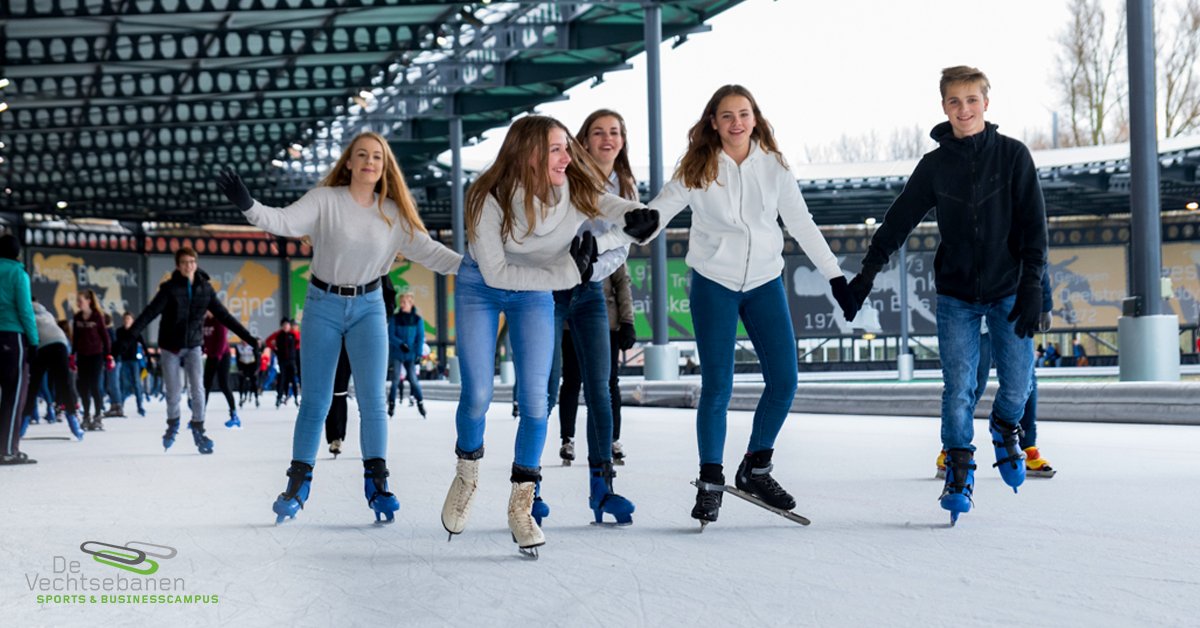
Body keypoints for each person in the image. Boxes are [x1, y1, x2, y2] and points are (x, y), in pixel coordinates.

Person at [625, 85, 856, 526]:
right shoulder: (697, 167)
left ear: (755, 118)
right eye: (727, 115)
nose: (736, 123)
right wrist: (635, 228)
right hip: (714, 283)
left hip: (765, 282)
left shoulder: (774, 166)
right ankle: (710, 481)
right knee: (718, 387)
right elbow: (658, 213)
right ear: (713, 122)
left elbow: (802, 223)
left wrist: (835, 276)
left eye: (744, 114)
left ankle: (756, 467)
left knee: (785, 380)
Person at [217, 130, 463, 524]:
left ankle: (378, 484)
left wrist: (475, 268)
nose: (369, 162)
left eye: (377, 157)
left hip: (369, 308)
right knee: (316, 400)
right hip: (323, 305)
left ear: (385, 166)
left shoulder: (393, 214)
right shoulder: (325, 201)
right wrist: (249, 205)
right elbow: (283, 220)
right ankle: (297, 484)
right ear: (348, 162)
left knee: (373, 400)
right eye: (361, 155)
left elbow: (432, 253)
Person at [438, 115, 656, 554]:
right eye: (556, 149)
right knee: (478, 394)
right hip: (483, 287)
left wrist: (634, 217)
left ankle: (522, 503)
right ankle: (467, 473)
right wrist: (569, 272)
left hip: (535, 291)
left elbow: (606, 203)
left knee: (538, 398)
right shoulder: (486, 195)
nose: (567, 157)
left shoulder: (572, 186)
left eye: (566, 148)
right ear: (530, 153)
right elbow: (498, 274)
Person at [847, 66, 1048, 523]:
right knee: (959, 387)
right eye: (955, 101)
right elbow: (898, 221)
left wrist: (1033, 284)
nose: (964, 109)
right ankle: (958, 471)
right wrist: (867, 274)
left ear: (986, 103)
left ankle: (1004, 426)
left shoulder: (1013, 156)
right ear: (944, 107)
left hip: (1009, 288)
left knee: (1018, 384)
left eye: (972, 100)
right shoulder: (935, 166)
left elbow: (1035, 226)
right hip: (957, 294)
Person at [547, 109, 641, 526]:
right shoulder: (565, 176)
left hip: (589, 292)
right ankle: (527, 489)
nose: (607, 138)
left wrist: (589, 269)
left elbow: (623, 248)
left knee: (601, 389)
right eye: (598, 132)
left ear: (622, 140)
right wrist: (568, 266)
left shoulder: (627, 187)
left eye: (614, 132)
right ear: (583, 141)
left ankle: (602, 489)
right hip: (549, 288)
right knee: (545, 388)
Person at [121, 247, 259, 454]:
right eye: (185, 262)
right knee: (174, 390)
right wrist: (126, 339)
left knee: (198, 388)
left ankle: (198, 428)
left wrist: (249, 339)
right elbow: (149, 314)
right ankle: (173, 424)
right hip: (170, 347)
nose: (189, 266)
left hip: (194, 345)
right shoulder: (169, 289)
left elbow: (225, 317)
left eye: (192, 262)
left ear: (196, 263)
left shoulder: (205, 289)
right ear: (178, 266)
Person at [937, 267, 1056, 479]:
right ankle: (954, 448)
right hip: (972, 313)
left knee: (1024, 381)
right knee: (970, 382)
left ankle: (1027, 446)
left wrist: (1044, 300)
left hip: (1011, 305)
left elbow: (1037, 257)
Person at [0, 234, 39, 465]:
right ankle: (7, 450)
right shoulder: (17, 273)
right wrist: (33, 341)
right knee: (13, 396)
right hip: (11, 337)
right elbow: (25, 309)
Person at [24, 299, 84, 440]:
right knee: (64, 384)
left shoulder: (24, 312)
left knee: (33, 386)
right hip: (60, 343)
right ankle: (75, 425)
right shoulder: (47, 313)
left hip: (41, 346)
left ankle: (22, 426)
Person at [71, 289, 111, 431]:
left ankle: (98, 415)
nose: (78, 303)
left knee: (94, 385)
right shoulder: (77, 317)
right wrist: (72, 355)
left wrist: (108, 355)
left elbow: (105, 337)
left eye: (80, 301)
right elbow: (75, 338)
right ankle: (86, 416)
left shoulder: (97, 316)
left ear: (88, 301)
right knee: (83, 387)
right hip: (82, 356)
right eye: (77, 301)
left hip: (96, 355)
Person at [388, 292, 427, 418]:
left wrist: (418, 354)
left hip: (411, 354)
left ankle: (420, 403)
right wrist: (400, 344)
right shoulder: (395, 318)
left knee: (413, 380)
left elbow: (420, 338)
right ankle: (391, 404)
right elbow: (391, 335)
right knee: (395, 379)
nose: (403, 305)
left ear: (411, 303)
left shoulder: (417, 320)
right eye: (401, 302)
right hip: (398, 353)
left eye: (405, 302)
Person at [202, 312, 240, 428]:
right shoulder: (205, 321)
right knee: (205, 386)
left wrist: (217, 357)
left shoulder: (219, 321)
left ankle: (234, 415)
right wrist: (202, 350)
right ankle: (199, 416)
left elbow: (222, 341)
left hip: (223, 356)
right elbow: (204, 339)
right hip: (211, 356)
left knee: (224, 384)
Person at [112, 312, 147, 418]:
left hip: (134, 361)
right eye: (125, 319)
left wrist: (148, 359)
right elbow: (116, 345)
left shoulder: (136, 331)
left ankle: (140, 406)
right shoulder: (119, 331)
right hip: (123, 361)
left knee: (137, 383)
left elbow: (143, 345)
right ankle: (120, 406)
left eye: (129, 319)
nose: (126, 321)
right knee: (124, 384)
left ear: (132, 320)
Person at [266, 318, 300, 407]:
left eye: (287, 325)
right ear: (281, 326)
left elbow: (299, 341)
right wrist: (274, 348)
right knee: (282, 380)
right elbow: (268, 341)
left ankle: (296, 398)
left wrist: (295, 350)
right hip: (282, 361)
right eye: (284, 325)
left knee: (293, 379)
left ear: (289, 326)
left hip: (292, 361)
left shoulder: (293, 334)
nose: (285, 327)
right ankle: (279, 397)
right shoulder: (278, 334)